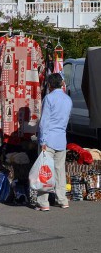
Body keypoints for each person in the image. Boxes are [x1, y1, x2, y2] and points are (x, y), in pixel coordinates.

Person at [36, 73, 72, 211]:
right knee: (59, 171)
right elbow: (67, 119)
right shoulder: (68, 99)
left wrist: (42, 140)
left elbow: (44, 122)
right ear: (62, 84)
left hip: (48, 139)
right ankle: (62, 199)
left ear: (49, 85)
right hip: (61, 139)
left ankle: (43, 202)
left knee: (45, 171)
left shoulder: (49, 98)